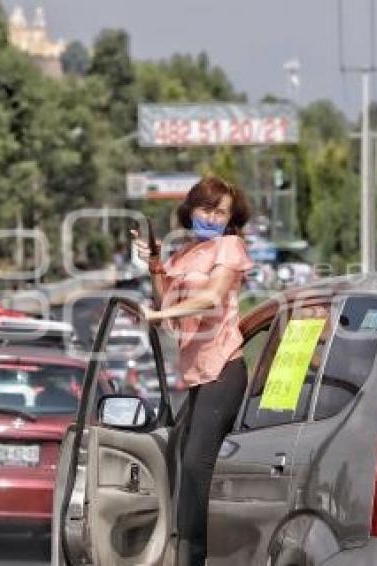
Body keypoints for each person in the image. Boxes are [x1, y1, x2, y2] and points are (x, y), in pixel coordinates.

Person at [132, 175, 253, 566]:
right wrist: (153, 262)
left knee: (198, 465)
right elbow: (164, 303)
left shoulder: (230, 247)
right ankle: (181, 550)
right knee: (183, 464)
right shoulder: (183, 256)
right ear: (190, 210)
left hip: (223, 368)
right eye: (206, 208)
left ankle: (196, 557)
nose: (212, 218)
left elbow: (210, 299)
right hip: (197, 376)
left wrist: (160, 312)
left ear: (231, 219)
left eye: (221, 212)